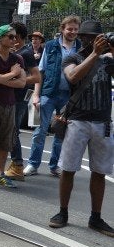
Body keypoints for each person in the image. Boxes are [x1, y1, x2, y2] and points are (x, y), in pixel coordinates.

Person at [49, 21, 113, 237]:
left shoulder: (109, 60)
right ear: (82, 39)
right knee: (68, 168)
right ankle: (63, 212)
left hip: (102, 122)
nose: (92, 40)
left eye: (96, 37)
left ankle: (96, 217)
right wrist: (94, 54)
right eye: (87, 37)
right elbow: (73, 76)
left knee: (99, 171)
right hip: (77, 121)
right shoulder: (72, 58)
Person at [24, 16, 82, 177]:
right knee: (39, 131)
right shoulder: (50, 46)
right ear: (62, 29)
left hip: (69, 96)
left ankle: (55, 165)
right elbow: (40, 72)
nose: (73, 32)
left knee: (61, 133)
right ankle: (33, 164)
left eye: (76, 29)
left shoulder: (81, 48)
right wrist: (36, 95)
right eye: (70, 29)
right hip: (48, 93)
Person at [0, 24, 26, 188]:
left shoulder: (18, 59)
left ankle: (0, 173)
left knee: (5, 140)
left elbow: (22, 83)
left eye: (15, 37)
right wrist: (13, 74)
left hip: (9, 102)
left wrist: (4, 79)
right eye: (10, 36)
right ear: (0, 38)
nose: (14, 40)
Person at [5, 22, 41, 181]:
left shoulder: (25, 53)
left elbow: (36, 77)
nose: (9, 37)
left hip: (18, 97)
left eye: (11, 34)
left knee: (13, 131)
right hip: (11, 95)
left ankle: (17, 165)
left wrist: (19, 80)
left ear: (18, 36)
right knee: (7, 130)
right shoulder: (17, 51)